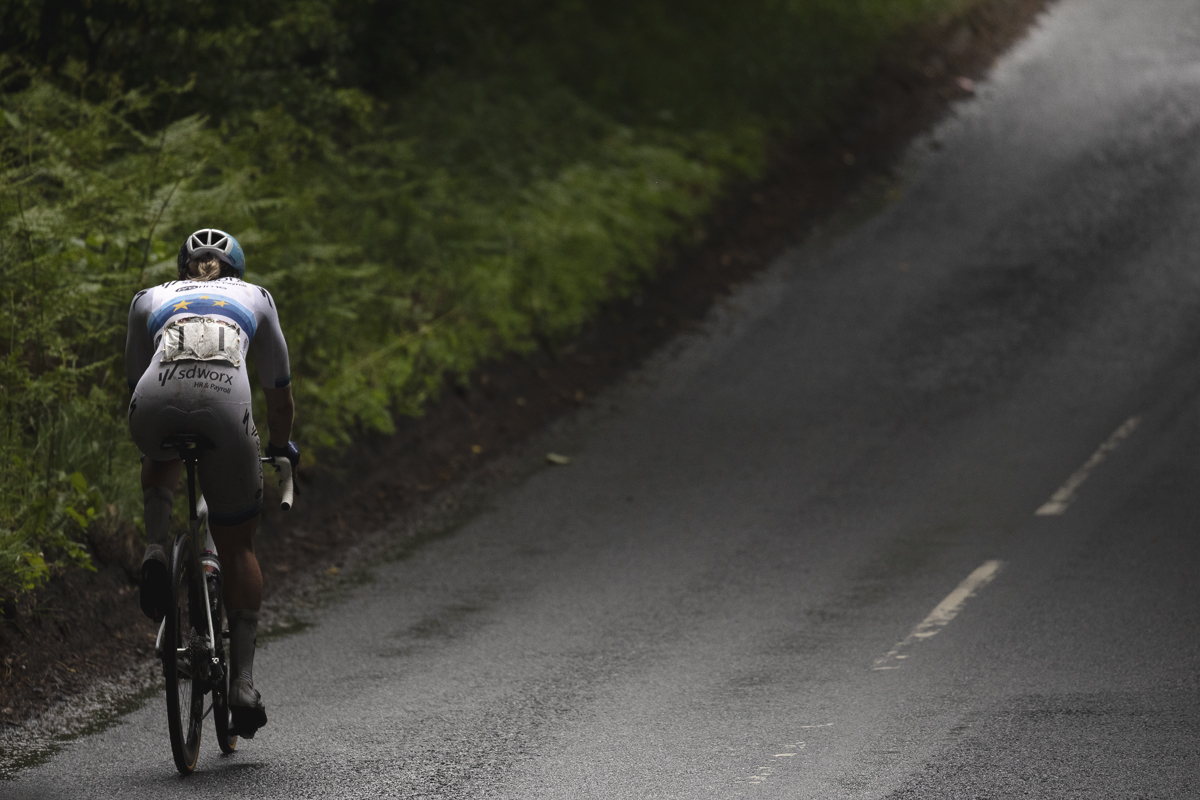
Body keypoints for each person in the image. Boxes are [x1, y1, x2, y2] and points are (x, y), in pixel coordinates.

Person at [125, 228, 299, 739]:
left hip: (153, 401)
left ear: (185, 268)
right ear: (236, 272)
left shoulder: (149, 298)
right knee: (238, 542)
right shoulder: (256, 298)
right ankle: (242, 683)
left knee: (156, 449)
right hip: (226, 410)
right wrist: (282, 448)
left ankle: (157, 547)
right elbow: (279, 397)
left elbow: (135, 375)